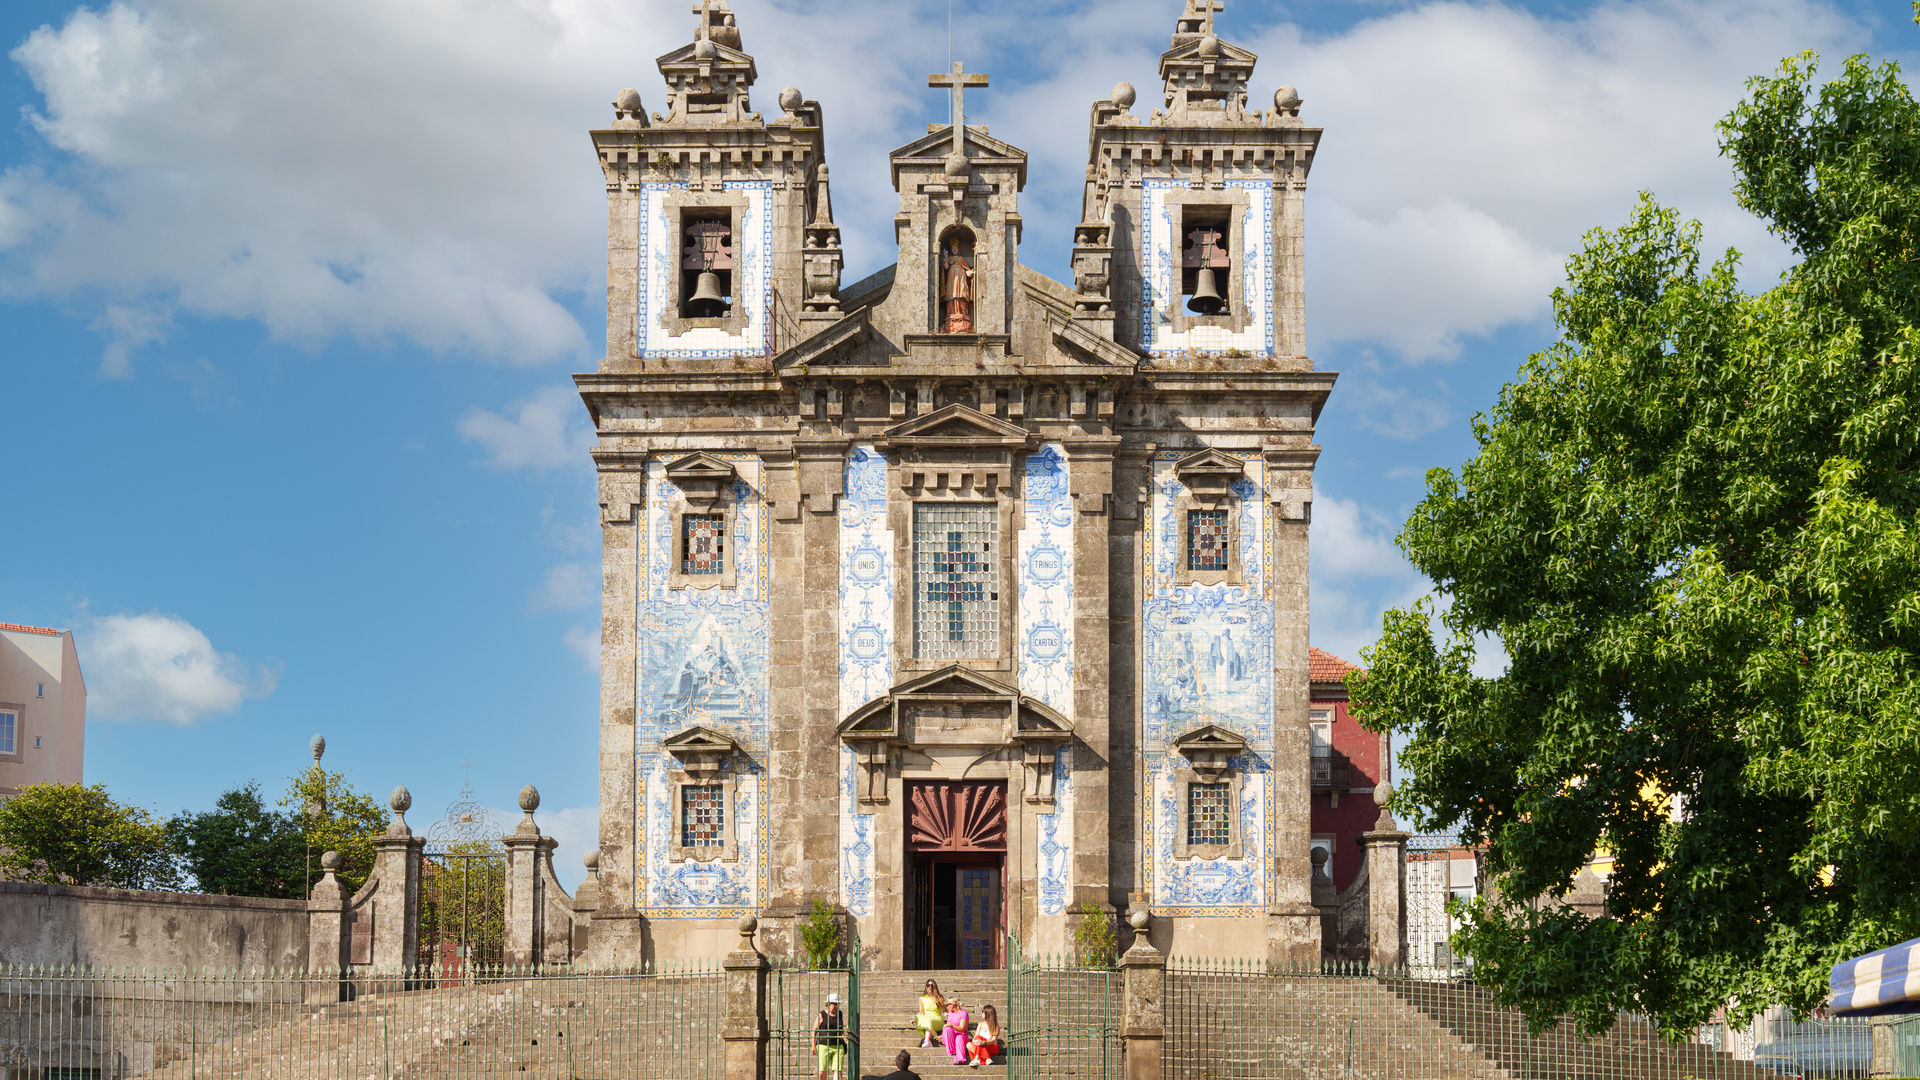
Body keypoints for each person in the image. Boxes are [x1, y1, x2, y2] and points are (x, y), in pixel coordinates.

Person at [815, 992, 851, 1080]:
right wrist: (813, 1046)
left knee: (838, 1071)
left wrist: (843, 1032)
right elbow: (814, 1030)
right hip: (823, 1044)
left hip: (838, 1045)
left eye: (836, 1004)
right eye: (832, 1004)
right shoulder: (821, 1014)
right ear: (827, 1004)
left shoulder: (840, 1014)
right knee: (822, 1071)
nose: (834, 1006)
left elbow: (840, 1028)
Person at [968, 1004, 1002, 1068]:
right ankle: (987, 1059)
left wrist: (984, 1042)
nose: (981, 1014)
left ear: (987, 1014)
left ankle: (977, 1059)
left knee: (979, 1039)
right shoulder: (980, 1024)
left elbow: (993, 1040)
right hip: (980, 1046)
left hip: (991, 1047)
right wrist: (975, 1041)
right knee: (968, 1044)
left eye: (983, 1012)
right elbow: (975, 1038)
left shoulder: (996, 1026)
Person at [915, 979, 945, 1048]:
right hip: (927, 1019)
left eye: (932, 985)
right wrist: (916, 1019)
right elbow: (921, 1012)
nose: (930, 987)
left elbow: (944, 1010)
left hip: (937, 1019)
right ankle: (927, 1040)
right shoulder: (922, 998)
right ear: (926, 987)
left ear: (935, 987)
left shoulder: (939, 997)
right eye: (928, 985)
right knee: (926, 1020)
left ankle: (926, 1040)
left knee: (928, 1020)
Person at [942, 998, 971, 1064]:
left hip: (961, 1035)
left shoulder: (963, 1013)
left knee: (959, 1038)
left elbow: (962, 1029)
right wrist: (941, 1036)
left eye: (948, 1004)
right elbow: (948, 1030)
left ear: (954, 1004)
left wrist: (951, 1025)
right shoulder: (950, 1013)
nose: (947, 1006)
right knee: (948, 1029)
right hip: (950, 1039)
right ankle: (952, 1053)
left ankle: (961, 1059)